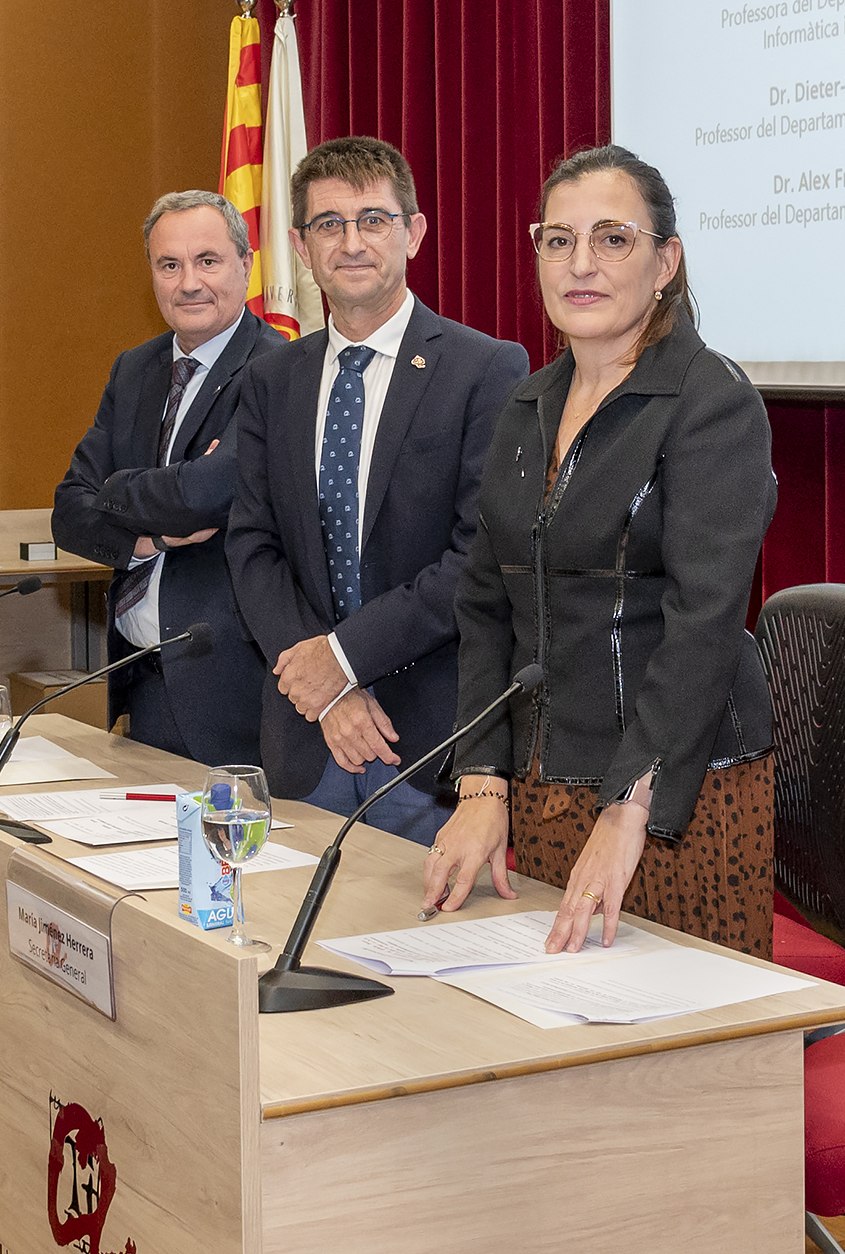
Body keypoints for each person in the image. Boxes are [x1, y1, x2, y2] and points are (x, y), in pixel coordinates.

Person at [422, 144, 777, 957]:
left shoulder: (711, 401)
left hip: (679, 792)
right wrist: (482, 782)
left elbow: (704, 622)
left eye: (612, 239)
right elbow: (484, 603)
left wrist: (629, 807)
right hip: (544, 783)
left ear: (665, 263)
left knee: (672, 1027)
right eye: (559, 240)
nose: (580, 263)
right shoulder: (526, 405)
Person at [225, 136, 531, 843]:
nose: (352, 242)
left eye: (373, 220)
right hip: (307, 735)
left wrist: (340, 661)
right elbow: (252, 545)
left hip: (426, 741)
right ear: (300, 247)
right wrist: (324, 687)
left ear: (413, 233)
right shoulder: (272, 379)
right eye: (329, 224)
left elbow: (476, 559)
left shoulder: (485, 370)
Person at [51, 190, 287, 766]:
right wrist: (149, 537)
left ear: (246, 264)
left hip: (233, 691)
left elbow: (204, 495)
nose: (189, 284)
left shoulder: (278, 367)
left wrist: (115, 490)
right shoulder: (135, 368)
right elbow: (68, 510)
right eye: (169, 265)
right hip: (142, 678)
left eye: (207, 261)